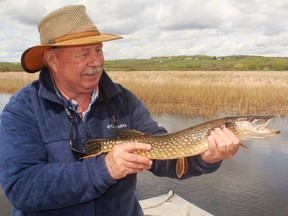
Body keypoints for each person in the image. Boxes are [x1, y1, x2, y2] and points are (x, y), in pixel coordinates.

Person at [0, 5, 240, 216]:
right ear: (52, 60)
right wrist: (104, 169)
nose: (96, 62)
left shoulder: (123, 100)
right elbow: (21, 187)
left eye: (98, 50)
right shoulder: (22, 110)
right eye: (83, 53)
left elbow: (160, 154)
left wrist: (205, 157)